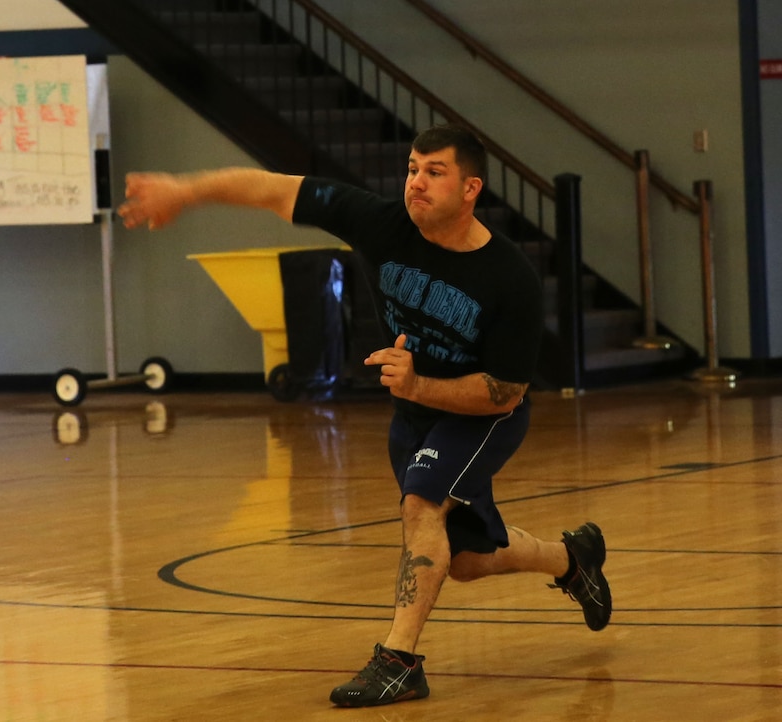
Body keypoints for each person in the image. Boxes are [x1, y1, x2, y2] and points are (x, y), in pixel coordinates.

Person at [117, 124, 612, 708]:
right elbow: (272, 189)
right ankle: (570, 557)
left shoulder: (509, 279)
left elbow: (503, 394)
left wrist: (420, 382)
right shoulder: (381, 223)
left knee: (421, 503)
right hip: (414, 413)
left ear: (471, 187)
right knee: (468, 561)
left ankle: (399, 660)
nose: (416, 183)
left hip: (484, 415)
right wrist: (184, 190)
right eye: (411, 168)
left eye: (434, 172)